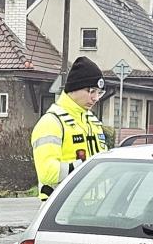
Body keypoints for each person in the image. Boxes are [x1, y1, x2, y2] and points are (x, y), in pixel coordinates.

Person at [30, 56, 110, 201]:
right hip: (62, 212)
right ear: (74, 89)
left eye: (99, 92)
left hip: (97, 211)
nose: (96, 98)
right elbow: (47, 173)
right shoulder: (52, 123)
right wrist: (86, 167)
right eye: (91, 91)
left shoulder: (92, 121)